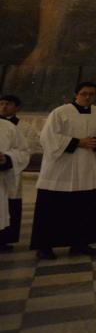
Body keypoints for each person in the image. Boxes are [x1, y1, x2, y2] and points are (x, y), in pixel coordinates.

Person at [32, 81, 96, 259]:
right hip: (61, 169)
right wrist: (77, 142)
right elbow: (47, 137)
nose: (88, 97)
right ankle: (44, 247)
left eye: (91, 94)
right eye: (84, 93)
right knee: (53, 209)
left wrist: (95, 141)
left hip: (86, 168)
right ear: (76, 94)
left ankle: (80, 243)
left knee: (84, 208)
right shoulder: (60, 112)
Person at [0, 95, 31, 252]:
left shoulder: (23, 127)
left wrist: (7, 159)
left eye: (8, 104)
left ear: (17, 107)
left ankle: (5, 239)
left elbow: (25, 150)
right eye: (2, 104)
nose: (4, 107)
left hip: (11, 173)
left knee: (9, 205)